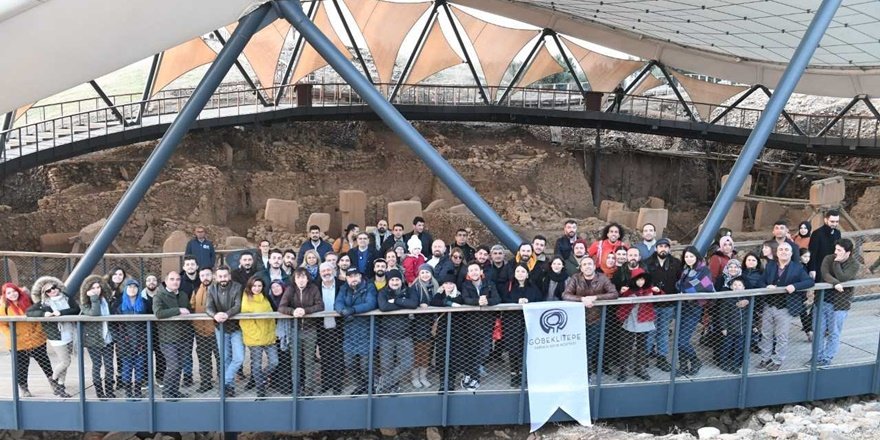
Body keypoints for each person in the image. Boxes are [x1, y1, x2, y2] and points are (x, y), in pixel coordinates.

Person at [758, 241, 815, 371]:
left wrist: (795, 286)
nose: (783, 252)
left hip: (785, 307)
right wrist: (767, 286)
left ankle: (777, 361)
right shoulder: (771, 266)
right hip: (769, 305)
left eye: (786, 250)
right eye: (781, 249)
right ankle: (765, 359)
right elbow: (760, 281)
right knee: (766, 333)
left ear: (791, 253)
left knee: (781, 336)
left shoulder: (797, 268)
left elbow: (809, 281)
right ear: (777, 253)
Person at [562, 257, 618, 374]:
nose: (587, 266)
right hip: (577, 320)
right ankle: (577, 371)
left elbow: (614, 293)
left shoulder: (602, 278)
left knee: (590, 347)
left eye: (590, 264)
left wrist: (596, 297)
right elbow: (566, 295)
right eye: (584, 264)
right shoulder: (576, 278)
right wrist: (582, 299)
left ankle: (586, 373)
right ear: (581, 268)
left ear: (594, 266)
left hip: (595, 319)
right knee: (577, 347)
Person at [27, 276, 78, 397]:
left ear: (58, 287)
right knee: (66, 361)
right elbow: (29, 312)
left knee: (63, 361)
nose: (52, 291)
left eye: (53, 288)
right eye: (48, 291)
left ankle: (61, 386)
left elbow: (76, 309)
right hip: (56, 335)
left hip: (70, 333)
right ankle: (54, 379)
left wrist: (61, 313)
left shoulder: (67, 298)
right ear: (45, 293)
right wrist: (44, 313)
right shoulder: (43, 304)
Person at [1, 283, 54, 398]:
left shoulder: (28, 301)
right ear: (5, 295)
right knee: (22, 366)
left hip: (36, 340)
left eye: (14, 291)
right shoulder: (4, 307)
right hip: (18, 343)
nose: (12, 294)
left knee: (44, 362)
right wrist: (11, 334)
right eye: (8, 293)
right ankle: (24, 388)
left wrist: (38, 332)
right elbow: (2, 324)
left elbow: (39, 318)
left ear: (18, 291)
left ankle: (54, 383)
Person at [278, 268, 325, 395]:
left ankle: (309, 389)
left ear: (307, 278)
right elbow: (281, 307)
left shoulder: (313, 288)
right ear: (295, 279)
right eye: (298, 277)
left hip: (310, 330)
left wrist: (306, 311)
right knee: (295, 361)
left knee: (309, 361)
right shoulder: (290, 289)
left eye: (303, 277)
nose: (301, 280)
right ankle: (296, 388)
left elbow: (320, 305)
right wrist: (293, 311)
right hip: (295, 330)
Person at [816, 239, 861, 366]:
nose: (836, 253)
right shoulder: (828, 258)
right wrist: (835, 283)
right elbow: (825, 274)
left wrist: (836, 263)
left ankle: (826, 358)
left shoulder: (854, 264)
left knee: (834, 332)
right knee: (818, 331)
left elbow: (843, 277)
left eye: (839, 251)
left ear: (848, 252)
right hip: (822, 300)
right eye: (835, 249)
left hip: (840, 304)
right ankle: (817, 357)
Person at [334, 268, 378, 395]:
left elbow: (371, 303)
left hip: (366, 332)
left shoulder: (369, 287)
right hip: (350, 332)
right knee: (350, 363)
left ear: (360, 277)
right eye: (350, 277)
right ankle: (361, 386)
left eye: (355, 276)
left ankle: (370, 388)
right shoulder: (344, 288)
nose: (353, 279)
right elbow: (338, 302)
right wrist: (342, 311)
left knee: (366, 366)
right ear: (346, 278)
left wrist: (353, 310)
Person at [460, 261, 501, 390]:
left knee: (484, 352)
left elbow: (497, 299)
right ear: (468, 273)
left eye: (476, 270)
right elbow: (465, 299)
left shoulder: (489, 284)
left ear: (481, 272)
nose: (474, 272)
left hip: (486, 324)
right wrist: (477, 301)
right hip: (470, 325)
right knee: (472, 352)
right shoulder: (465, 285)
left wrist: (487, 301)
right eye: (471, 270)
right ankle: (474, 378)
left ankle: (469, 373)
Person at [375, 269, 418, 393]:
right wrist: (404, 303)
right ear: (388, 281)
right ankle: (392, 386)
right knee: (386, 366)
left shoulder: (409, 290)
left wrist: (395, 301)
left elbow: (414, 303)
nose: (395, 282)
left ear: (401, 280)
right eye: (392, 280)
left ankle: (384, 384)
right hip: (386, 336)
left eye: (397, 279)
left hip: (405, 335)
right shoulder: (383, 292)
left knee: (407, 364)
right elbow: (383, 307)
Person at [675, 246, 715, 376]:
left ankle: (695, 361)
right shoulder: (686, 270)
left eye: (691, 256)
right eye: (686, 256)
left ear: (697, 256)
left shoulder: (703, 270)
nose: (689, 259)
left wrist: (685, 290)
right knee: (679, 339)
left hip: (694, 308)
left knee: (683, 340)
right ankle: (683, 366)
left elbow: (705, 287)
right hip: (682, 307)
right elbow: (680, 285)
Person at [206, 266, 244, 397]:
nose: (223, 279)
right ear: (216, 277)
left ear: (229, 276)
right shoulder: (212, 288)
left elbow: (238, 305)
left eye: (225, 276)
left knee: (239, 358)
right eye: (220, 276)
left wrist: (227, 314)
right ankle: (229, 388)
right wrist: (215, 315)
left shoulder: (237, 287)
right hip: (220, 328)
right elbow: (208, 307)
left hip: (236, 328)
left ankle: (224, 382)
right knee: (225, 358)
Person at [502, 264, 543, 386]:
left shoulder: (533, 287)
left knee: (525, 349)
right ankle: (514, 374)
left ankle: (523, 373)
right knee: (512, 349)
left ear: (527, 274)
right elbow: (503, 299)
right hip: (511, 322)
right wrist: (516, 302)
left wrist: (528, 302)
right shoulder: (508, 286)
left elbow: (539, 300)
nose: (520, 273)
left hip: (528, 323)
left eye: (523, 271)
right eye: (518, 271)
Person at [644, 238, 681, 372]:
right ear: (656, 248)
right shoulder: (647, 263)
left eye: (666, 246)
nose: (663, 249)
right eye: (660, 246)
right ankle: (645, 358)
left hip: (668, 304)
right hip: (651, 304)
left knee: (663, 332)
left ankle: (662, 358)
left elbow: (679, 280)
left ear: (669, 249)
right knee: (649, 332)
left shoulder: (676, 263)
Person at [153, 272, 192, 399]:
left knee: (179, 366)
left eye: (178, 279)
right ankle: (167, 393)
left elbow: (189, 310)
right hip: (168, 339)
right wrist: (178, 310)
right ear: (166, 281)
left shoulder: (183, 295)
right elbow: (158, 313)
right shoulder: (159, 295)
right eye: (172, 279)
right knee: (173, 366)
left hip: (184, 337)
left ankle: (175, 391)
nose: (175, 281)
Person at [239, 277, 277, 398]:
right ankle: (260, 389)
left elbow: (271, 317)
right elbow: (245, 322)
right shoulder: (246, 299)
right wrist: (258, 335)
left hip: (269, 336)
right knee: (256, 364)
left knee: (274, 362)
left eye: (259, 286)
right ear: (250, 286)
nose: (257, 288)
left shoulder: (265, 298)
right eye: (254, 286)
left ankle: (261, 378)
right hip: (255, 338)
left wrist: (272, 331)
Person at [79, 275, 117, 399]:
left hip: (108, 338)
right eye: (93, 288)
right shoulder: (85, 304)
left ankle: (110, 390)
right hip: (93, 340)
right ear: (88, 290)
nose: (96, 290)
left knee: (109, 365)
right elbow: (95, 313)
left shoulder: (107, 300)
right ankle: (99, 391)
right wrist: (93, 298)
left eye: (98, 287)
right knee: (97, 365)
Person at [616, 268, 656, 381]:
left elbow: (660, 295)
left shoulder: (649, 289)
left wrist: (657, 292)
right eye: (638, 280)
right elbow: (620, 298)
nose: (640, 282)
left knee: (642, 345)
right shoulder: (629, 290)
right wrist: (621, 292)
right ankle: (624, 370)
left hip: (644, 319)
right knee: (626, 345)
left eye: (642, 280)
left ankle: (640, 368)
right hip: (630, 318)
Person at [114, 279, 149, 399]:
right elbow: (115, 324)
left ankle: (137, 389)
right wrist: (120, 338)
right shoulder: (120, 305)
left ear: (138, 289)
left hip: (141, 341)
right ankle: (128, 390)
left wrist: (144, 338)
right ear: (125, 289)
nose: (132, 289)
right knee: (127, 367)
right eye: (129, 287)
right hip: (125, 341)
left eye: (135, 287)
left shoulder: (144, 303)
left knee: (139, 366)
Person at [407, 264, 440, 389]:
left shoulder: (437, 286)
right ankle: (415, 377)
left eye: (427, 272)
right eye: (422, 273)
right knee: (417, 351)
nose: (425, 275)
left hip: (433, 323)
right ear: (419, 274)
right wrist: (421, 304)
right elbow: (413, 301)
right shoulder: (415, 287)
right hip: (418, 323)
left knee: (427, 351)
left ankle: (423, 376)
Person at [315, 262, 344, 394]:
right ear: (320, 273)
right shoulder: (315, 286)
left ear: (333, 270)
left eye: (328, 270)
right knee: (325, 356)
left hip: (339, 327)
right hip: (322, 327)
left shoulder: (341, 285)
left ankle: (337, 386)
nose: (326, 273)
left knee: (338, 358)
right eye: (323, 271)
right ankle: (326, 383)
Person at [189, 266, 219, 393]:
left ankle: (224, 383)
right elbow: (192, 306)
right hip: (200, 331)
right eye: (202, 275)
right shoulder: (196, 290)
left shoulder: (218, 289)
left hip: (216, 331)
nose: (205, 278)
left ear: (212, 275)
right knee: (203, 358)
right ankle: (206, 383)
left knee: (220, 358)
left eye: (207, 275)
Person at [716, 277, 750, 374]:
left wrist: (752, 326)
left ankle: (735, 365)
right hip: (730, 330)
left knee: (738, 348)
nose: (737, 287)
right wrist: (723, 327)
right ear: (731, 287)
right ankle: (723, 363)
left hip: (742, 330)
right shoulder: (727, 299)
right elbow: (722, 314)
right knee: (726, 347)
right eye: (735, 285)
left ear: (744, 287)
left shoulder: (746, 299)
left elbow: (749, 314)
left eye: (739, 285)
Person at [140, 275, 165, 386]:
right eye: (149, 280)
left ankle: (160, 377)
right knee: (145, 355)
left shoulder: (162, 295)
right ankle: (146, 380)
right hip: (145, 331)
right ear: (145, 282)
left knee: (161, 354)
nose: (151, 282)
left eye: (154, 280)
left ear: (157, 282)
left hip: (160, 330)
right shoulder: (140, 296)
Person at [808, 210, 842, 281]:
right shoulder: (817, 233)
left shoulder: (837, 233)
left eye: (837, 221)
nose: (835, 224)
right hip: (820, 266)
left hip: (833, 266)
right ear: (826, 220)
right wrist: (812, 269)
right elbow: (812, 253)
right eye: (832, 221)